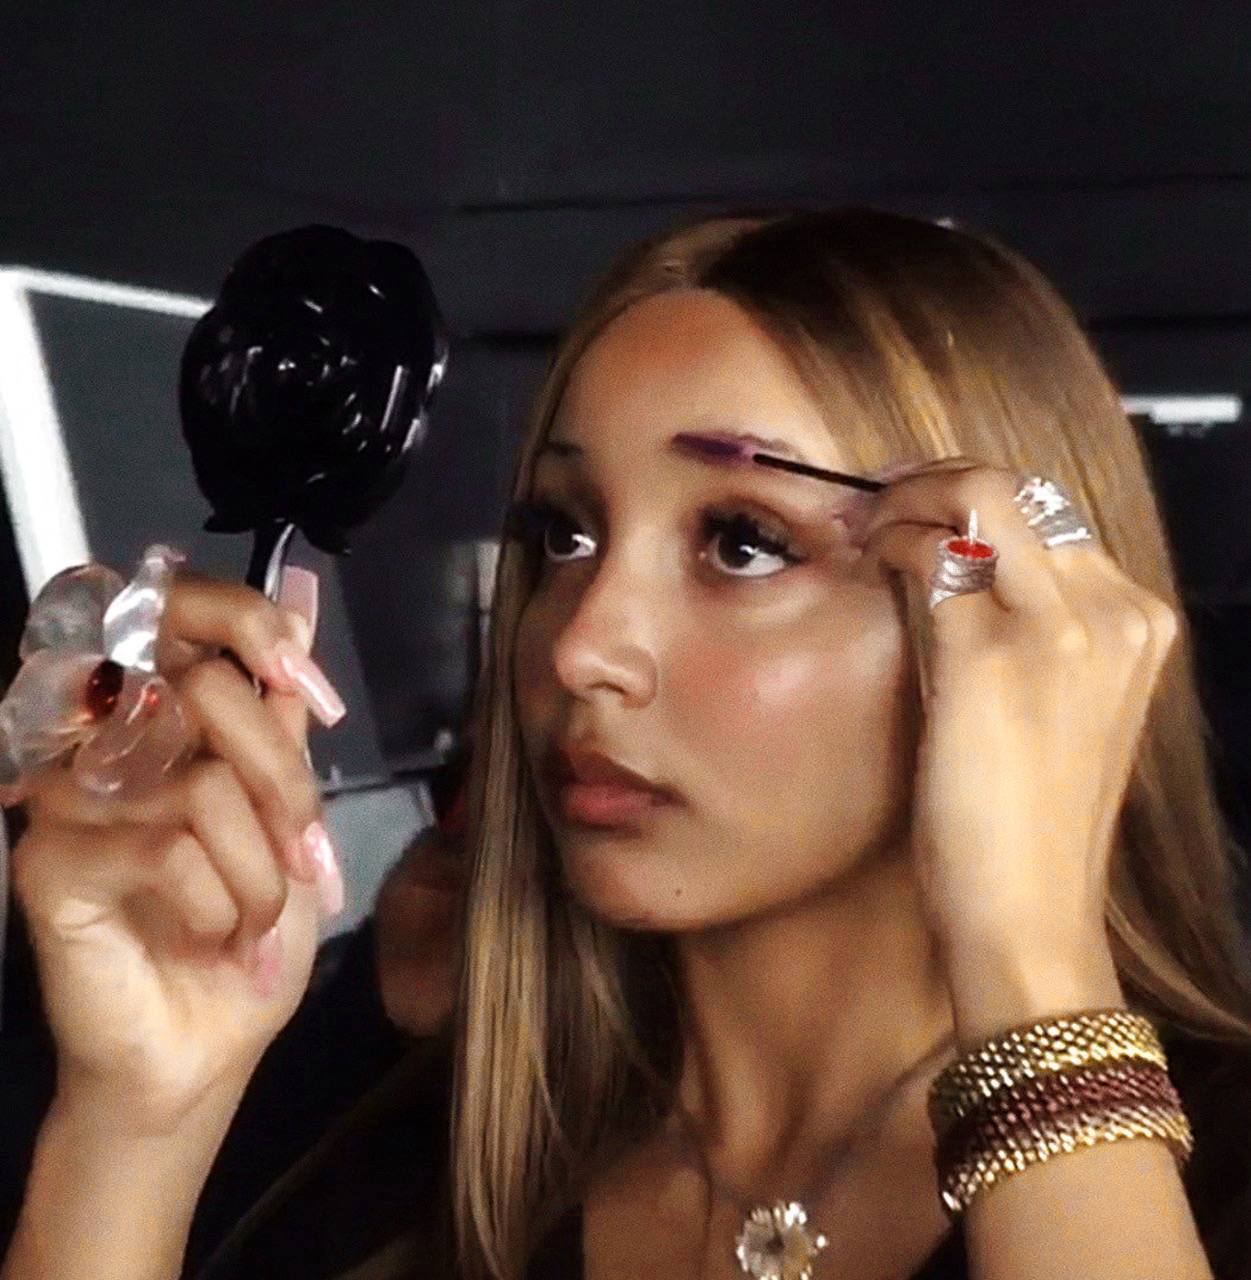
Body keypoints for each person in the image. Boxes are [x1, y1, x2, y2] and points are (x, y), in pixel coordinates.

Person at [4, 206, 1251, 1280]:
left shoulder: (1213, 1175)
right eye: (564, 533)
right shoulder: (400, 1158)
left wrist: (1033, 972)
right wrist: (134, 1126)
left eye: (743, 541)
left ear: (1019, 624)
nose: (580, 644)